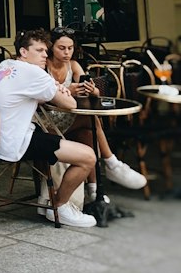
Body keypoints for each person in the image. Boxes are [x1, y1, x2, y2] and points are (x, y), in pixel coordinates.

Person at [0, 29, 97, 229]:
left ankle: (47, 199)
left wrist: (54, 87)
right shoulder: (34, 73)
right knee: (88, 156)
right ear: (23, 51)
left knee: (54, 134)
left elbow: (27, 92)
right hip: (18, 141)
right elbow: (70, 104)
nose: (45, 55)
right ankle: (60, 206)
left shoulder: (5, 65)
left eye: (46, 51)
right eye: (39, 50)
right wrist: (60, 89)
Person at [47, 29, 145, 199]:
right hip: (47, 121)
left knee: (88, 132)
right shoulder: (44, 66)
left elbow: (89, 92)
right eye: (61, 48)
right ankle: (112, 164)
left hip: (69, 118)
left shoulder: (74, 66)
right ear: (51, 47)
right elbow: (41, 99)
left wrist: (93, 91)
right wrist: (66, 91)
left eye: (70, 48)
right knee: (89, 118)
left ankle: (94, 191)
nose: (67, 52)